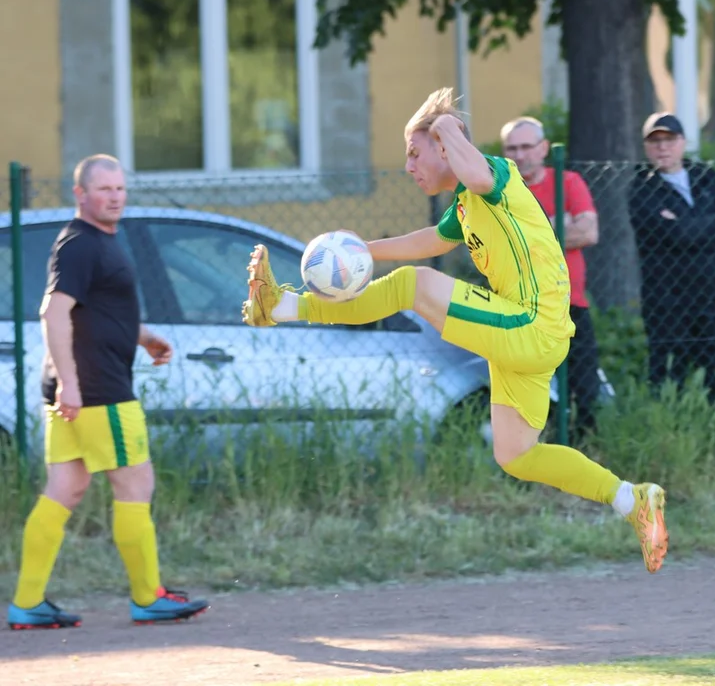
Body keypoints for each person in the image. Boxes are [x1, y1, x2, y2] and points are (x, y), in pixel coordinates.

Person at [242, 88, 668, 573]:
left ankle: (283, 307)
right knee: (516, 455)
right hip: (525, 337)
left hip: (532, 323)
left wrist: (444, 125)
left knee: (413, 286)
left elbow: (474, 172)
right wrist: (362, 249)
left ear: (444, 146)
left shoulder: (495, 175)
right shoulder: (465, 204)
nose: (408, 166)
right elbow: (429, 240)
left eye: (414, 152)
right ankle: (631, 499)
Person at [7, 154, 210, 630]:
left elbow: (95, 311)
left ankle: (27, 603)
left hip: (79, 388)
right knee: (136, 484)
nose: (115, 196)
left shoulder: (96, 242)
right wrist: (74, 385)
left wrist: (141, 336)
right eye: (104, 189)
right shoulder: (80, 244)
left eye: (120, 188)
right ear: (80, 194)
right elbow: (53, 314)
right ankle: (148, 596)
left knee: (66, 488)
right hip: (97, 391)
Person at [500, 116, 605, 442]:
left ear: (544, 148)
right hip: (518, 304)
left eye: (526, 146)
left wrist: (526, 236)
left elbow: (588, 232)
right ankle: (530, 455)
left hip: (568, 302)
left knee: (584, 385)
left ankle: (582, 453)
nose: (519, 155)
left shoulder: (567, 183)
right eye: (512, 148)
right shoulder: (499, 191)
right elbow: (496, 244)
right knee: (527, 387)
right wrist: (556, 230)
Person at [628, 112, 715, 404]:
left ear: (683, 142)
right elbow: (672, 234)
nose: (662, 147)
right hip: (667, 304)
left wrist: (681, 222)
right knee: (669, 381)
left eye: (669, 140)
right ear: (645, 146)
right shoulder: (641, 187)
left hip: (711, 302)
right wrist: (706, 224)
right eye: (655, 141)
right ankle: (672, 436)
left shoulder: (706, 177)